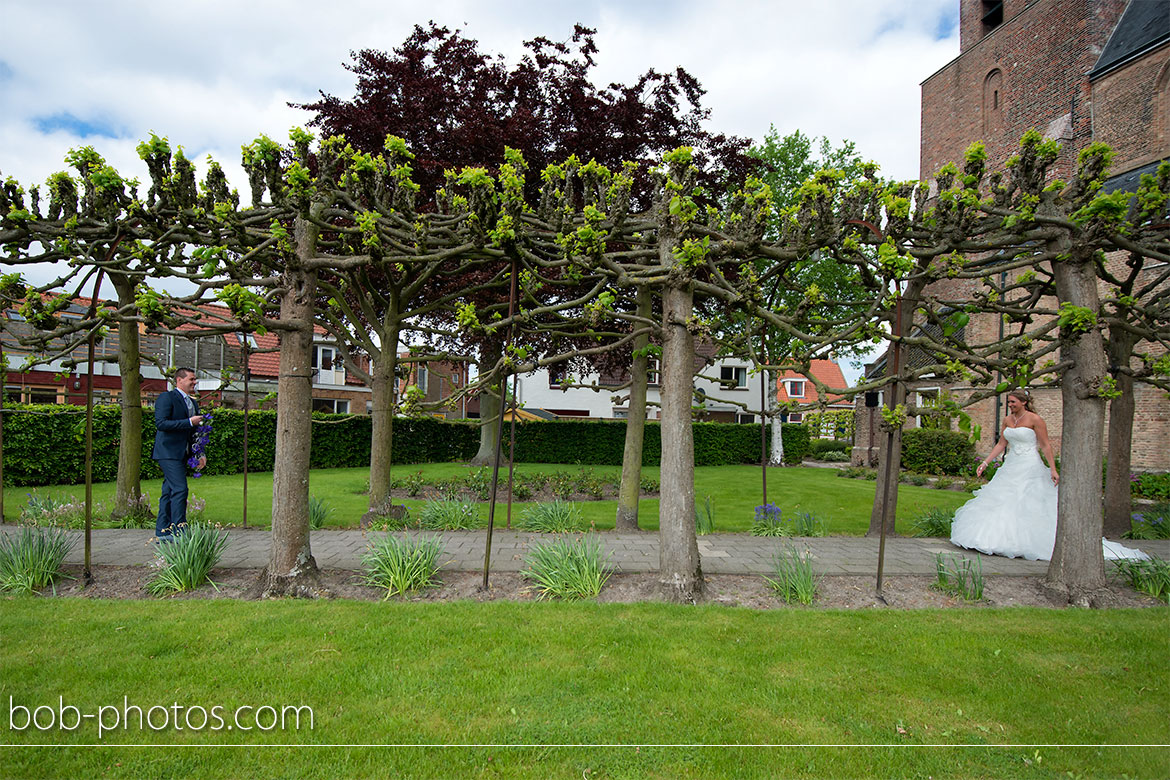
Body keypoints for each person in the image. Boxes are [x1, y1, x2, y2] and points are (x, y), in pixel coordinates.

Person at [950, 389, 1148, 561]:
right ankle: (993, 539)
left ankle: (1027, 542)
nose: (1010, 405)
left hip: (1029, 465)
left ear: (1023, 402)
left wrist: (1053, 468)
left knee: (1027, 500)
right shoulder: (1008, 420)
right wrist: (986, 462)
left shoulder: (1035, 420)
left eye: (1013, 402)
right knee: (1003, 500)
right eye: (1009, 402)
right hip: (1011, 465)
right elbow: (1002, 444)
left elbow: (1045, 445)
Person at [152, 367, 205, 541]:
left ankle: (162, 530)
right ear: (179, 380)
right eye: (191, 379)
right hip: (167, 452)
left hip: (183, 453)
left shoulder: (193, 403)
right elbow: (161, 423)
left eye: (195, 379)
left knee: (168, 490)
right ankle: (179, 529)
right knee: (180, 489)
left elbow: (194, 432)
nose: (194, 382)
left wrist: (200, 453)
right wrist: (189, 421)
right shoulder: (167, 398)